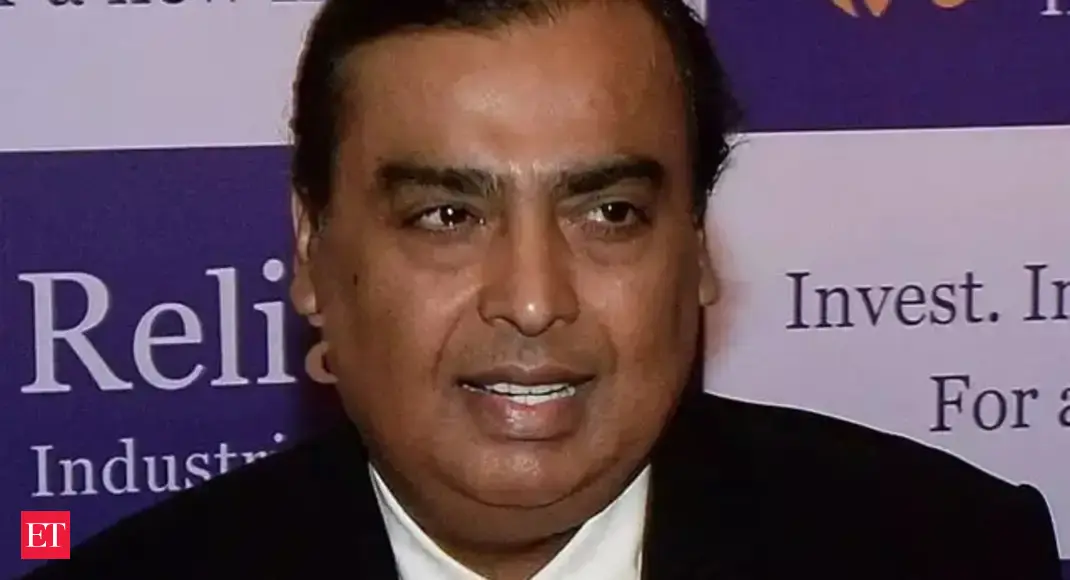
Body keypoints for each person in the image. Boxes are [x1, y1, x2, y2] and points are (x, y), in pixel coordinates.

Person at [24, 0, 1061, 578]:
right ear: (311, 252)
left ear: (697, 247)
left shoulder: (948, 553)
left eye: (607, 212)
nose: (531, 298)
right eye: (447, 215)